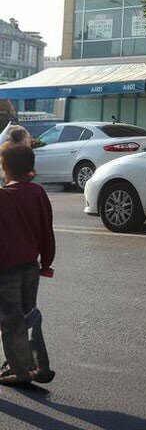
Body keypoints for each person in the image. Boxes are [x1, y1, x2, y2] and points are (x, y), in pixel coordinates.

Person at [0, 144, 55, 386]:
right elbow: (46, 230)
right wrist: (46, 262)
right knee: (28, 314)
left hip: (6, 269)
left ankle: (20, 371)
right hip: (31, 266)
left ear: (5, 167)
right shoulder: (38, 193)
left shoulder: (3, 196)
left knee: (11, 321)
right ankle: (39, 366)